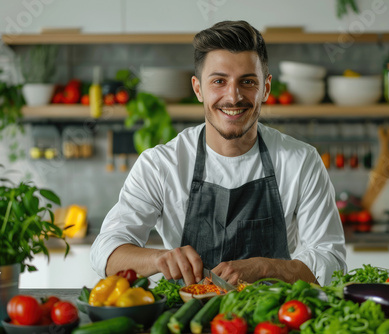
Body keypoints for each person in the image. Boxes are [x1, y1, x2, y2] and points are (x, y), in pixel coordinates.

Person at [90, 20, 346, 287]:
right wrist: (159, 259)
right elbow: (104, 251)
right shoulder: (161, 165)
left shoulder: (301, 161)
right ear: (198, 88)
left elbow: (331, 261)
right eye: (219, 81)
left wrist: (265, 267)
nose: (233, 97)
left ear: (266, 88)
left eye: (247, 82)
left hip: (273, 321)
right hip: (186, 321)